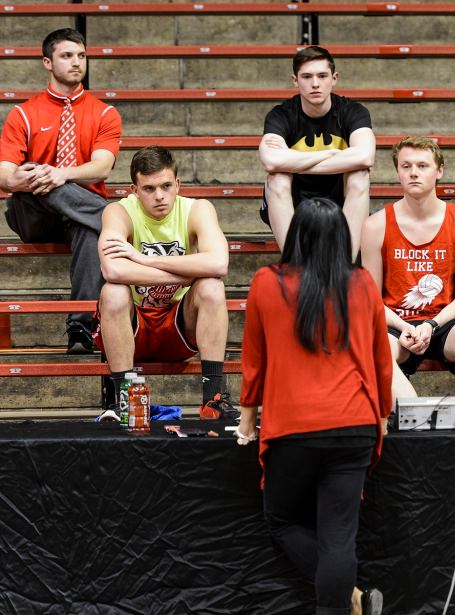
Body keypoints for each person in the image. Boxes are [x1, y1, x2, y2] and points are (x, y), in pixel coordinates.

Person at [238, 198, 390, 615]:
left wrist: (246, 420)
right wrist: (381, 413)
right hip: (353, 424)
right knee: (339, 537)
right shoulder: (362, 282)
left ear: (295, 236)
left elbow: (254, 360)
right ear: (341, 239)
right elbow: (380, 357)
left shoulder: (267, 283)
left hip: (292, 428)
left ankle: (354, 597)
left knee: (283, 522)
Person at [0, 28, 122, 354]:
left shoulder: (104, 114)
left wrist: (60, 174)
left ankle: (81, 328)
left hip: (81, 214)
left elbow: (102, 167)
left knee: (90, 230)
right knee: (41, 184)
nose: (76, 62)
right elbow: (5, 176)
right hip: (34, 213)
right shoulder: (23, 114)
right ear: (47, 62)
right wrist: (39, 177)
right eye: (67, 56)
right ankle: (118, 220)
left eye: (81, 56)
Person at [94, 146, 236, 420]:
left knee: (212, 286)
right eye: (149, 189)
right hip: (133, 326)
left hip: (179, 326)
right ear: (133, 190)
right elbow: (112, 269)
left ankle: (213, 400)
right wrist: (187, 272)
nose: (159, 196)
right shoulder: (118, 212)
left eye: (166, 186)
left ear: (178, 184)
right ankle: (127, 404)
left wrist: (143, 260)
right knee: (112, 292)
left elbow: (219, 264)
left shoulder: (197, 209)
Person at [361, 137, 455, 399]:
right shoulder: (375, 225)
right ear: (397, 171)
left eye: (422, 165)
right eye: (406, 166)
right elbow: (372, 299)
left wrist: (431, 325)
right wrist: (405, 327)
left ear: (439, 170)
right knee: (376, 346)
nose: (414, 173)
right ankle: (414, 420)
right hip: (397, 324)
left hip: (444, 322)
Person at [258, 46, 374, 254]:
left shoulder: (352, 111)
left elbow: (365, 156)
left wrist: (295, 162)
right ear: (295, 80)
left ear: (334, 78)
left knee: (360, 175)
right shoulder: (281, 115)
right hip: (295, 199)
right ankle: (292, 264)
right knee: (277, 177)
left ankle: (344, 263)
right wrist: (329, 155)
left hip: (339, 199)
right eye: (307, 76)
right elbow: (271, 161)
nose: (315, 84)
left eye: (322, 76)